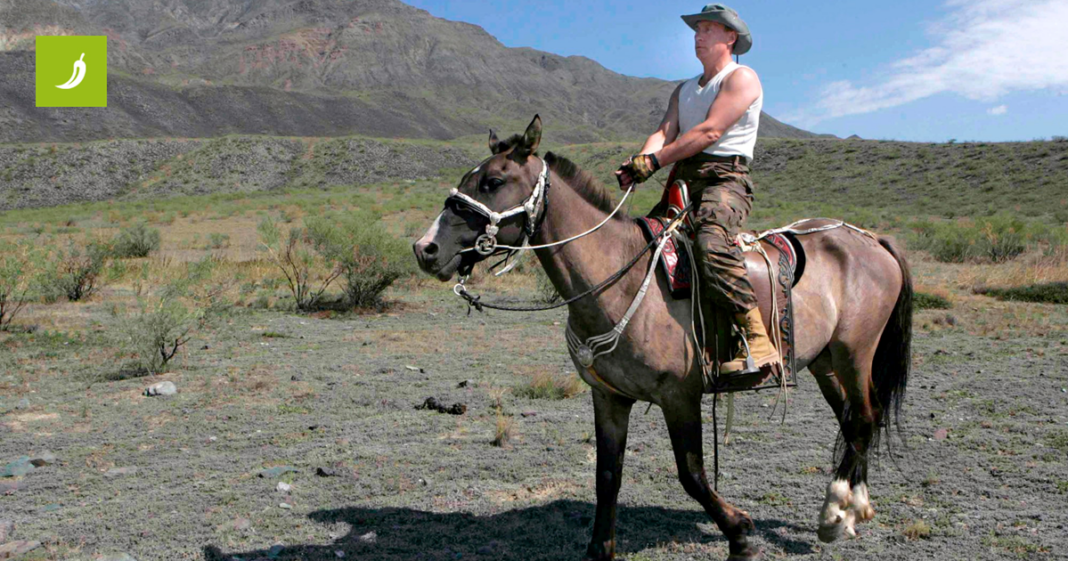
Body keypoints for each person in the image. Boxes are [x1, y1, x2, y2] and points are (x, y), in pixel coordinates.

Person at [615, 3, 779, 375]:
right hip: (684, 182)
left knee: (711, 242)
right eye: (697, 29)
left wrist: (655, 163)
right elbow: (664, 132)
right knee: (638, 245)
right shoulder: (685, 89)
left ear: (730, 37)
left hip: (725, 180)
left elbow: (710, 132)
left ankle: (758, 340)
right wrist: (639, 161)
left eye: (708, 29)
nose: (698, 36)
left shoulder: (742, 78)